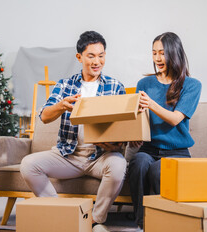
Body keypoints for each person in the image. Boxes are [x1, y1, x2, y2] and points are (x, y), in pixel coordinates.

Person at [20, 31, 127, 232]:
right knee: (28, 165)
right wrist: (61, 105)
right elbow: (44, 116)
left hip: (100, 157)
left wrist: (116, 144)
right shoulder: (65, 85)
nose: (97, 61)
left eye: (101, 55)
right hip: (68, 155)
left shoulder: (115, 86)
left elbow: (123, 126)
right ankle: (62, 213)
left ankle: (95, 220)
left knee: (119, 164)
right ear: (79, 57)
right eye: (91, 56)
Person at [128, 32, 202, 230]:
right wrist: (134, 136)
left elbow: (175, 119)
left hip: (177, 152)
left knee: (158, 170)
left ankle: (167, 222)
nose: (157, 58)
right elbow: (137, 117)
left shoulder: (191, 85)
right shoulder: (144, 84)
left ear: (174, 53)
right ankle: (142, 223)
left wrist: (151, 103)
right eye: (154, 53)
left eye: (162, 53)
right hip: (149, 149)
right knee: (139, 163)